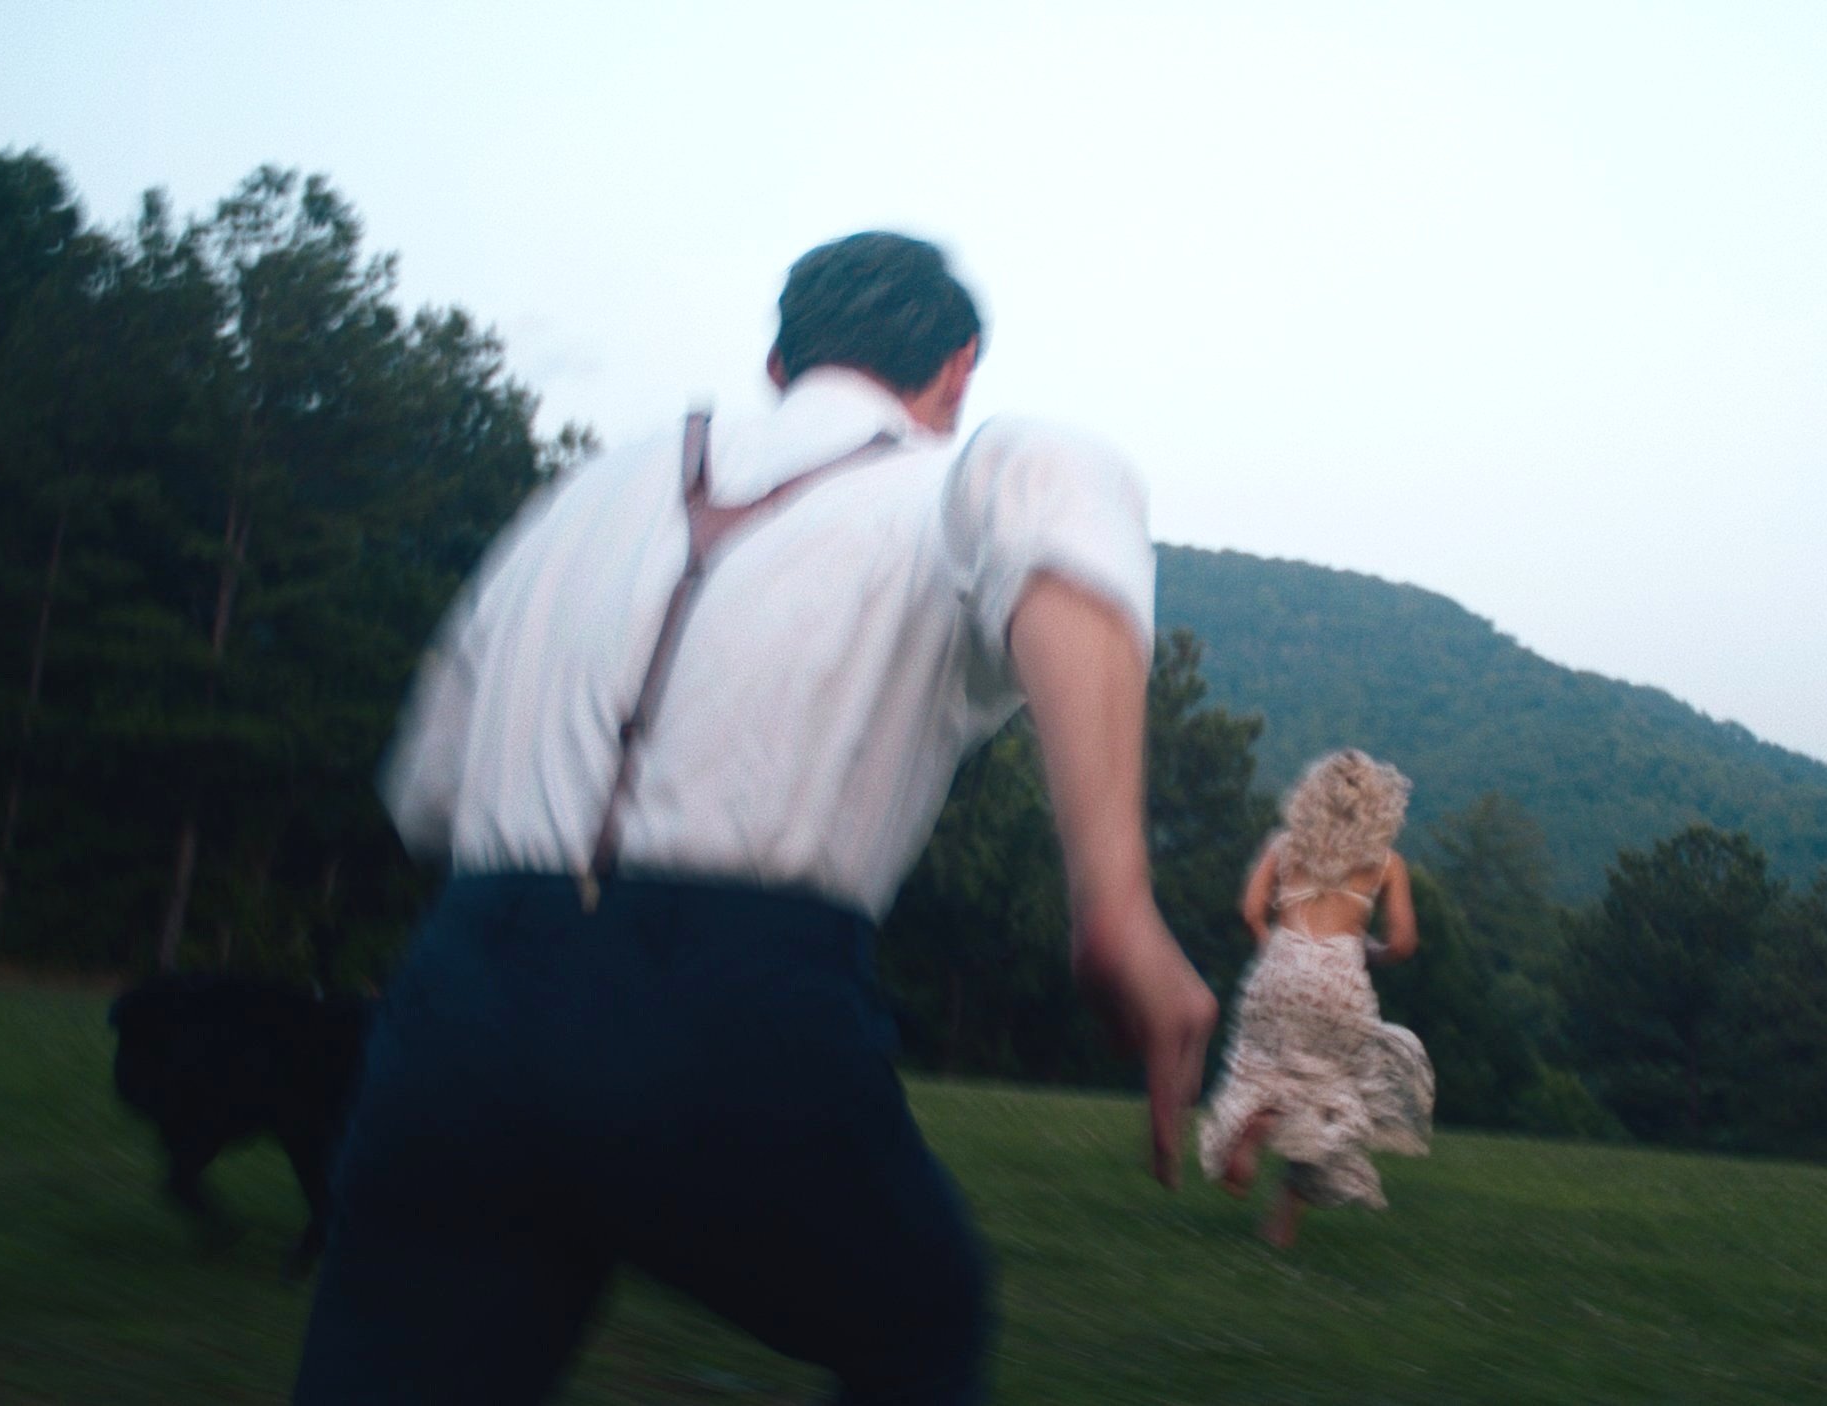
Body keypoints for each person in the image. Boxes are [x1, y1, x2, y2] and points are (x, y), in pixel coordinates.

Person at [292, 231, 1219, 1405]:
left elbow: (429, 783)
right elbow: (1050, 485)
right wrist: (1116, 902)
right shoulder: (947, 480)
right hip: (726, 995)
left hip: (464, 988)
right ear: (957, 368)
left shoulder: (585, 492)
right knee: (918, 1318)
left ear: (778, 360)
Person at [1197, 749, 1433, 1248]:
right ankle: (1283, 1223)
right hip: (1340, 980)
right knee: (1329, 1098)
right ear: (1377, 806)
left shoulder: (1285, 846)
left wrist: (1274, 947)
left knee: (1262, 1068)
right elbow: (1406, 943)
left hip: (1280, 970)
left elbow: (1249, 910)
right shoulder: (1386, 863)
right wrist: (1368, 953)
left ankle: (1258, 1121)